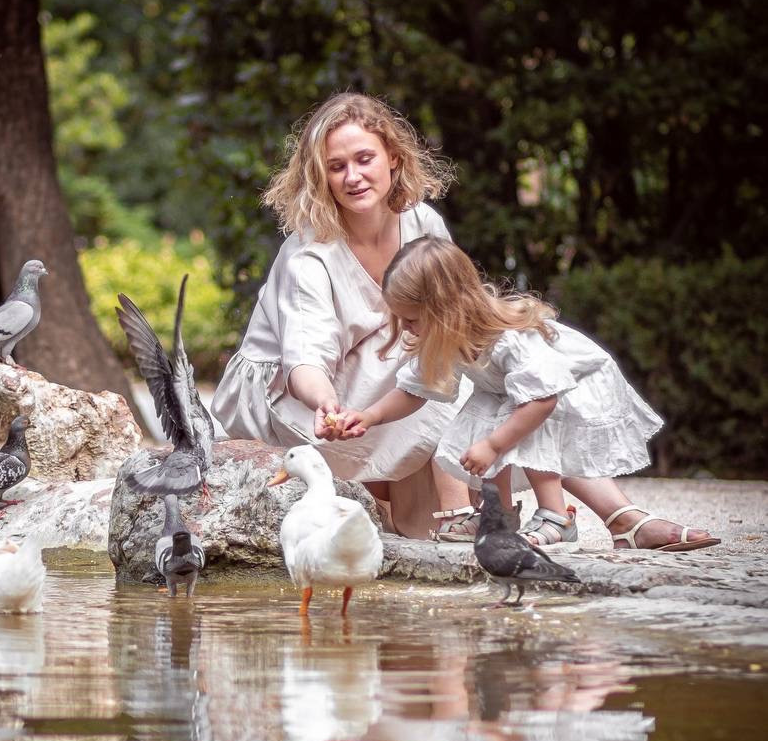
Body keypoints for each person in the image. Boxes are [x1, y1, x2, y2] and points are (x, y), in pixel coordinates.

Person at [327, 236, 720, 551]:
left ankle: (556, 517)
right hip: (524, 395)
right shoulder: (448, 339)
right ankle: (498, 516)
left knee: (519, 422)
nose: (407, 329)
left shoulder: (509, 340)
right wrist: (370, 416)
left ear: (446, 309)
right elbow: (414, 391)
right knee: (480, 417)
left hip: (569, 388)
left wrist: (495, 445)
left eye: (412, 319)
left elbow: (543, 399)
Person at [211, 93, 472, 538]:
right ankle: (445, 512)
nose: (353, 177)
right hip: (293, 388)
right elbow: (306, 356)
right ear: (321, 177)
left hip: (375, 365)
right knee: (416, 356)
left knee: (450, 350)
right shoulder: (309, 256)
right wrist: (324, 403)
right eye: (336, 167)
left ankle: (450, 508)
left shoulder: (423, 224)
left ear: (392, 157)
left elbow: (453, 315)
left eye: (364, 158)